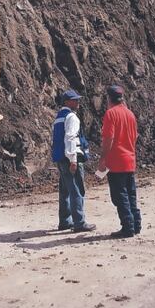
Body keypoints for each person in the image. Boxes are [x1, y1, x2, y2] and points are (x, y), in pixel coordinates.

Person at [96, 84, 141, 239]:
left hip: (116, 162)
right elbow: (135, 137)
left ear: (109, 98)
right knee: (131, 194)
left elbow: (109, 138)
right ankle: (136, 224)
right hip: (130, 160)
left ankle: (127, 226)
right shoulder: (130, 114)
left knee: (119, 196)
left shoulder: (111, 114)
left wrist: (103, 158)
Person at [52, 89, 95, 232]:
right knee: (77, 189)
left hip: (60, 157)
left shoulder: (59, 117)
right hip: (70, 157)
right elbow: (70, 138)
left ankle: (65, 221)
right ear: (66, 102)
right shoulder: (71, 117)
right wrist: (73, 160)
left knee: (65, 190)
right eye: (74, 100)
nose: (77, 102)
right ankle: (80, 222)